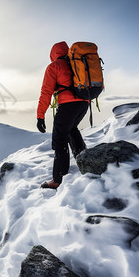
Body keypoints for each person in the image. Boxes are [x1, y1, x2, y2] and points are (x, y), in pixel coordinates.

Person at [36, 41, 88, 189]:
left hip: (68, 106)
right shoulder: (77, 62)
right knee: (72, 129)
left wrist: (40, 116)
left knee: (59, 139)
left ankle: (58, 178)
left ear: (53, 54)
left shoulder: (54, 66)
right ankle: (85, 162)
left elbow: (46, 92)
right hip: (84, 103)